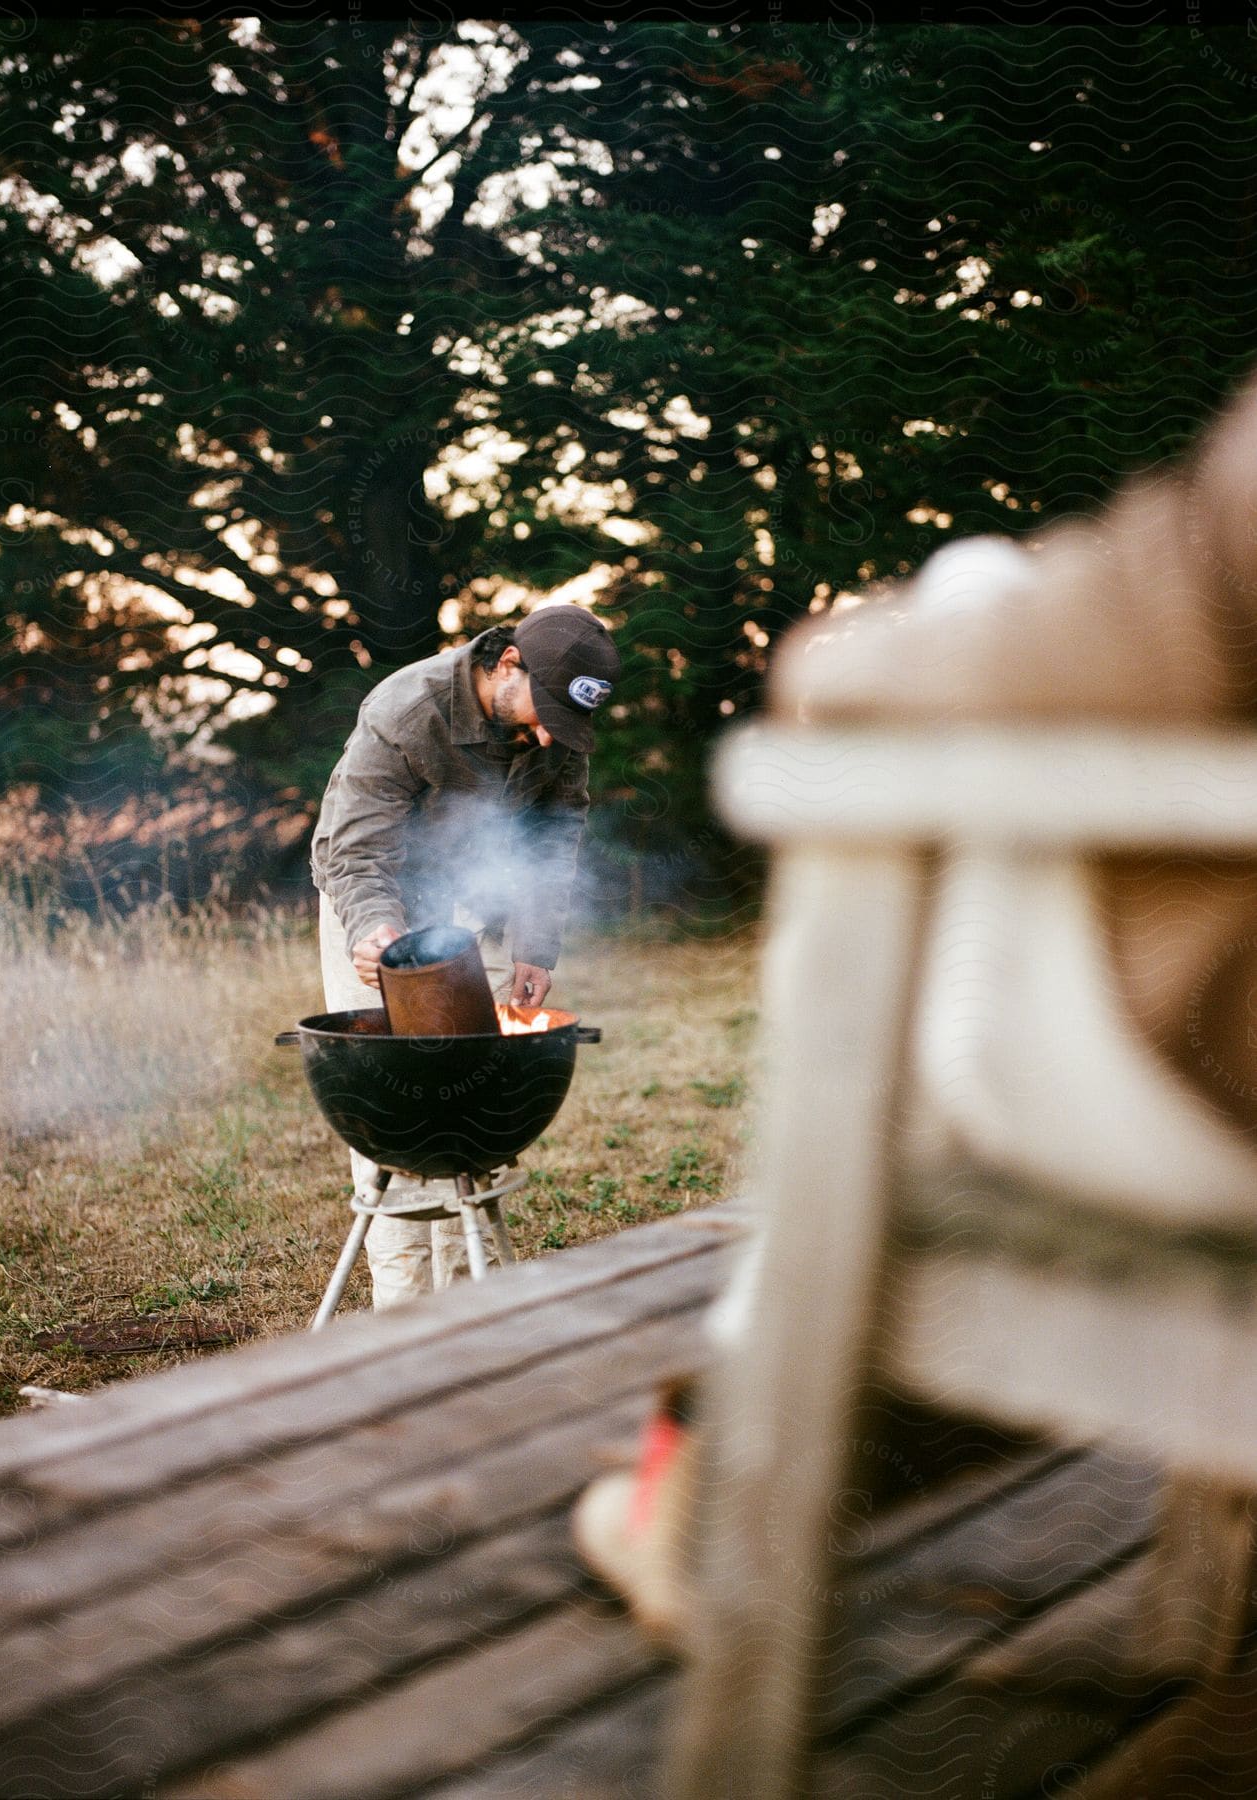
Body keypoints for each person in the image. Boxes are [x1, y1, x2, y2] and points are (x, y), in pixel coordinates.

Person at [573, 376, 1257, 1641]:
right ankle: (730, 1447)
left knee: (970, 598)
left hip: (1217, 1093)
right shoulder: (416, 720)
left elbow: (1167, 608)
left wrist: (840, 659)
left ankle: (729, 1473)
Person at [310, 603, 621, 1309]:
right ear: (507, 663)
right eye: (541, 712)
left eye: (563, 725)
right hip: (376, 901)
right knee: (392, 1098)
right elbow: (354, 851)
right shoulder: (407, 708)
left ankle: (461, 1302)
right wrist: (374, 929)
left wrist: (536, 944)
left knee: (471, 1091)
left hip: (472, 908)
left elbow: (554, 832)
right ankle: (402, 1309)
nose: (548, 735)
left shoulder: (557, 726)